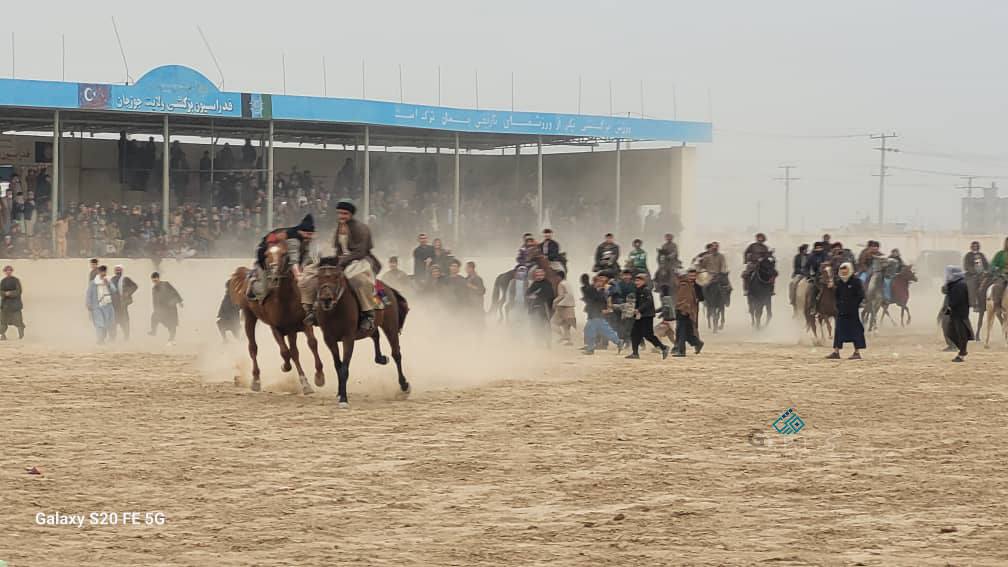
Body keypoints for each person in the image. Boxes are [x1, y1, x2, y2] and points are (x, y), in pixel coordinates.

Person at [320, 201, 382, 332]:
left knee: (359, 280)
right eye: (339, 213)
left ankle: (368, 314)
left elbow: (361, 251)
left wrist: (343, 261)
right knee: (322, 276)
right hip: (343, 261)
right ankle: (317, 307)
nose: (341, 216)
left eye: (345, 213)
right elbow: (338, 248)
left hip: (361, 260)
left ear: (351, 214)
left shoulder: (361, 228)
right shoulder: (339, 227)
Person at [248, 214, 316, 300]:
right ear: (300, 232)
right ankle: (252, 282)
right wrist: (300, 278)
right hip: (265, 256)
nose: (309, 237)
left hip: (279, 259)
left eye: (311, 234)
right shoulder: (294, 240)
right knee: (264, 290)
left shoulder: (304, 239)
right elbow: (294, 262)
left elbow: (306, 256)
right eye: (307, 234)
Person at [826, 262, 866, 360]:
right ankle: (836, 352)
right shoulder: (840, 282)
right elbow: (837, 295)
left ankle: (857, 352)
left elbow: (860, 295)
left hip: (852, 312)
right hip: (841, 311)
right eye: (842, 269)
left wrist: (854, 304)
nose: (844, 271)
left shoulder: (856, 282)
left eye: (845, 269)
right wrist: (839, 305)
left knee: (855, 331)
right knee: (839, 330)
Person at [625, 272, 669, 359]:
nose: (637, 282)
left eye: (639, 281)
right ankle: (635, 353)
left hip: (647, 316)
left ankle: (663, 347)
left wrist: (639, 310)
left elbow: (648, 303)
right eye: (636, 281)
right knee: (634, 333)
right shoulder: (637, 290)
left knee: (648, 334)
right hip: (639, 316)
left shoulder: (646, 290)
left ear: (644, 281)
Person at [580, 273, 624, 355]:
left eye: (600, 281)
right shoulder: (598, 290)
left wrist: (604, 309)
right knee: (605, 330)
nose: (598, 283)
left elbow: (600, 301)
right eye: (597, 281)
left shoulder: (601, 291)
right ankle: (618, 342)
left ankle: (590, 348)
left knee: (590, 330)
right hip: (595, 314)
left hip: (596, 314)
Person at [942, 266, 973, 363]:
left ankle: (962, 353)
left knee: (961, 333)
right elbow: (945, 291)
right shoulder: (955, 284)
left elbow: (957, 299)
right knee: (950, 332)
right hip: (955, 313)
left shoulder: (960, 284)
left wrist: (950, 307)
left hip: (960, 313)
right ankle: (962, 350)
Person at [672, 268, 704, 356]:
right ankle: (697, 343)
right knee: (686, 332)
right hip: (681, 310)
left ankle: (681, 351)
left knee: (682, 331)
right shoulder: (683, 284)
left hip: (684, 312)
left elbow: (688, 299)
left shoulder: (685, 285)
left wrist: (684, 310)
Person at [85, 265, 117, 344]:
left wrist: (108, 284)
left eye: (104, 271)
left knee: (108, 324)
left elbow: (114, 291)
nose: (103, 273)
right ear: (99, 272)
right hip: (97, 306)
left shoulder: (109, 280)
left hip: (108, 306)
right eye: (101, 271)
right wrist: (88, 303)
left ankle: (103, 338)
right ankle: (100, 340)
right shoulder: (93, 282)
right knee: (99, 323)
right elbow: (89, 293)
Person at [149, 272, 184, 343]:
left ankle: (172, 338)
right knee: (154, 317)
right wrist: (155, 309)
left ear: (158, 278)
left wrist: (180, 302)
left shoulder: (166, 284)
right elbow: (154, 300)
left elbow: (174, 292)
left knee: (172, 324)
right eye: (153, 281)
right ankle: (153, 331)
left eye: (155, 280)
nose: (154, 282)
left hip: (170, 308)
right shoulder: (154, 288)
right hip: (161, 309)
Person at [525, 268, 556, 347]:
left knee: (546, 327)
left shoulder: (547, 284)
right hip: (534, 309)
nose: (539, 276)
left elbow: (550, 296)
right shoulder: (534, 284)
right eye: (537, 275)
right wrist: (531, 297)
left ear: (544, 275)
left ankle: (548, 343)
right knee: (535, 326)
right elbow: (528, 294)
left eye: (541, 275)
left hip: (544, 309)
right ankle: (537, 342)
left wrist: (537, 296)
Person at [110, 265, 138, 341]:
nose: (118, 271)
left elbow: (135, 286)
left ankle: (126, 337)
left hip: (123, 304)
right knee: (113, 322)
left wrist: (128, 293)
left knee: (124, 321)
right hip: (115, 304)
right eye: (116, 270)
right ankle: (112, 338)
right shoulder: (112, 279)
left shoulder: (125, 279)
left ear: (122, 271)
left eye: (119, 270)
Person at [963, 241, 988, 317]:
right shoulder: (968, 255)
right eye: (974, 246)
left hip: (982, 274)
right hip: (971, 275)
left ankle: (986, 303)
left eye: (977, 246)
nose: (975, 247)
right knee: (973, 284)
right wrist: (974, 272)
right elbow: (966, 266)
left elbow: (986, 264)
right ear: (971, 247)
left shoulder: (981, 255)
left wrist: (986, 271)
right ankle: (974, 303)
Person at [0, 265, 24, 340]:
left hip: (15, 305)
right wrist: (5, 293)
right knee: (2, 321)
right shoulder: (3, 281)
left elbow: (19, 291)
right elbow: (0, 291)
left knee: (18, 321)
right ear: (5, 272)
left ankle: (21, 336)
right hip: (5, 305)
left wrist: (10, 293)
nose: (8, 272)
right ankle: (3, 336)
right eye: (6, 270)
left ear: (11, 271)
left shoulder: (16, 280)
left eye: (10, 270)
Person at [551, 274, 577, 345]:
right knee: (566, 324)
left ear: (559, 277)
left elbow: (561, 295)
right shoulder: (568, 283)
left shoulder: (561, 284)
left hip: (563, 305)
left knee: (553, 322)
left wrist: (554, 302)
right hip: (571, 305)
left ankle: (562, 336)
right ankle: (569, 340)